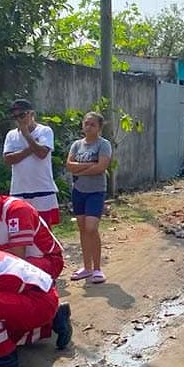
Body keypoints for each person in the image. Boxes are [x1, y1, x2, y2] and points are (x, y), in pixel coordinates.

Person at [65, 112, 112, 284]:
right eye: (86, 123)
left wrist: (80, 170)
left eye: (92, 124)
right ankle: (87, 267)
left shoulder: (103, 144)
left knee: (92, 228)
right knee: (83, 228)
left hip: (96, 191)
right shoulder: (77, 145)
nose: (88, 127)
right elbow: (69, 165)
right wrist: (88, 166)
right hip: (79, 191)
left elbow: (101, 167)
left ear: (99, 127)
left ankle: (98, 268)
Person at [2, 99, 60, 228]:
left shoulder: (44, 131)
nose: (19, 119)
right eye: (15, 117)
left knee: (43, 229)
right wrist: (31, 149)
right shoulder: (11, 135)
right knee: (21, 229)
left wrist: (27, 135)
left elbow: (42, 154)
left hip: (42, 188)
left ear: (31, 114)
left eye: (22, 115)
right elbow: (8, 159)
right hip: (19, 189)